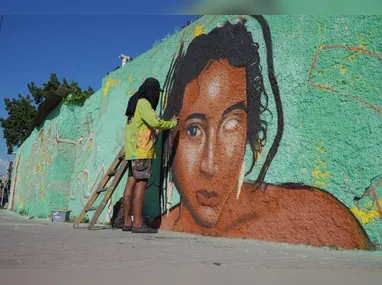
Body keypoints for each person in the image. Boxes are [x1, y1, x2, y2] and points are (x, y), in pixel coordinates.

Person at [156, 18, 370, 249]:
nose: (210, 166)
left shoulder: (323, 220)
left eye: (231, 125)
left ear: (250, 130)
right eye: (193, 130)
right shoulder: (160, 227)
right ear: (170, 134)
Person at [123, 77, 178, 233]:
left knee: (131, 183)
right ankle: (138, 224)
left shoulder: (134, 104)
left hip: (132, 151)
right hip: (142, 150)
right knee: (141, 183)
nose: (156, 96)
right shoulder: (144, 104)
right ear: (151, 91)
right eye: (155, 92)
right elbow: (155, 122)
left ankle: (127, 222)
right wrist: (172, 123)